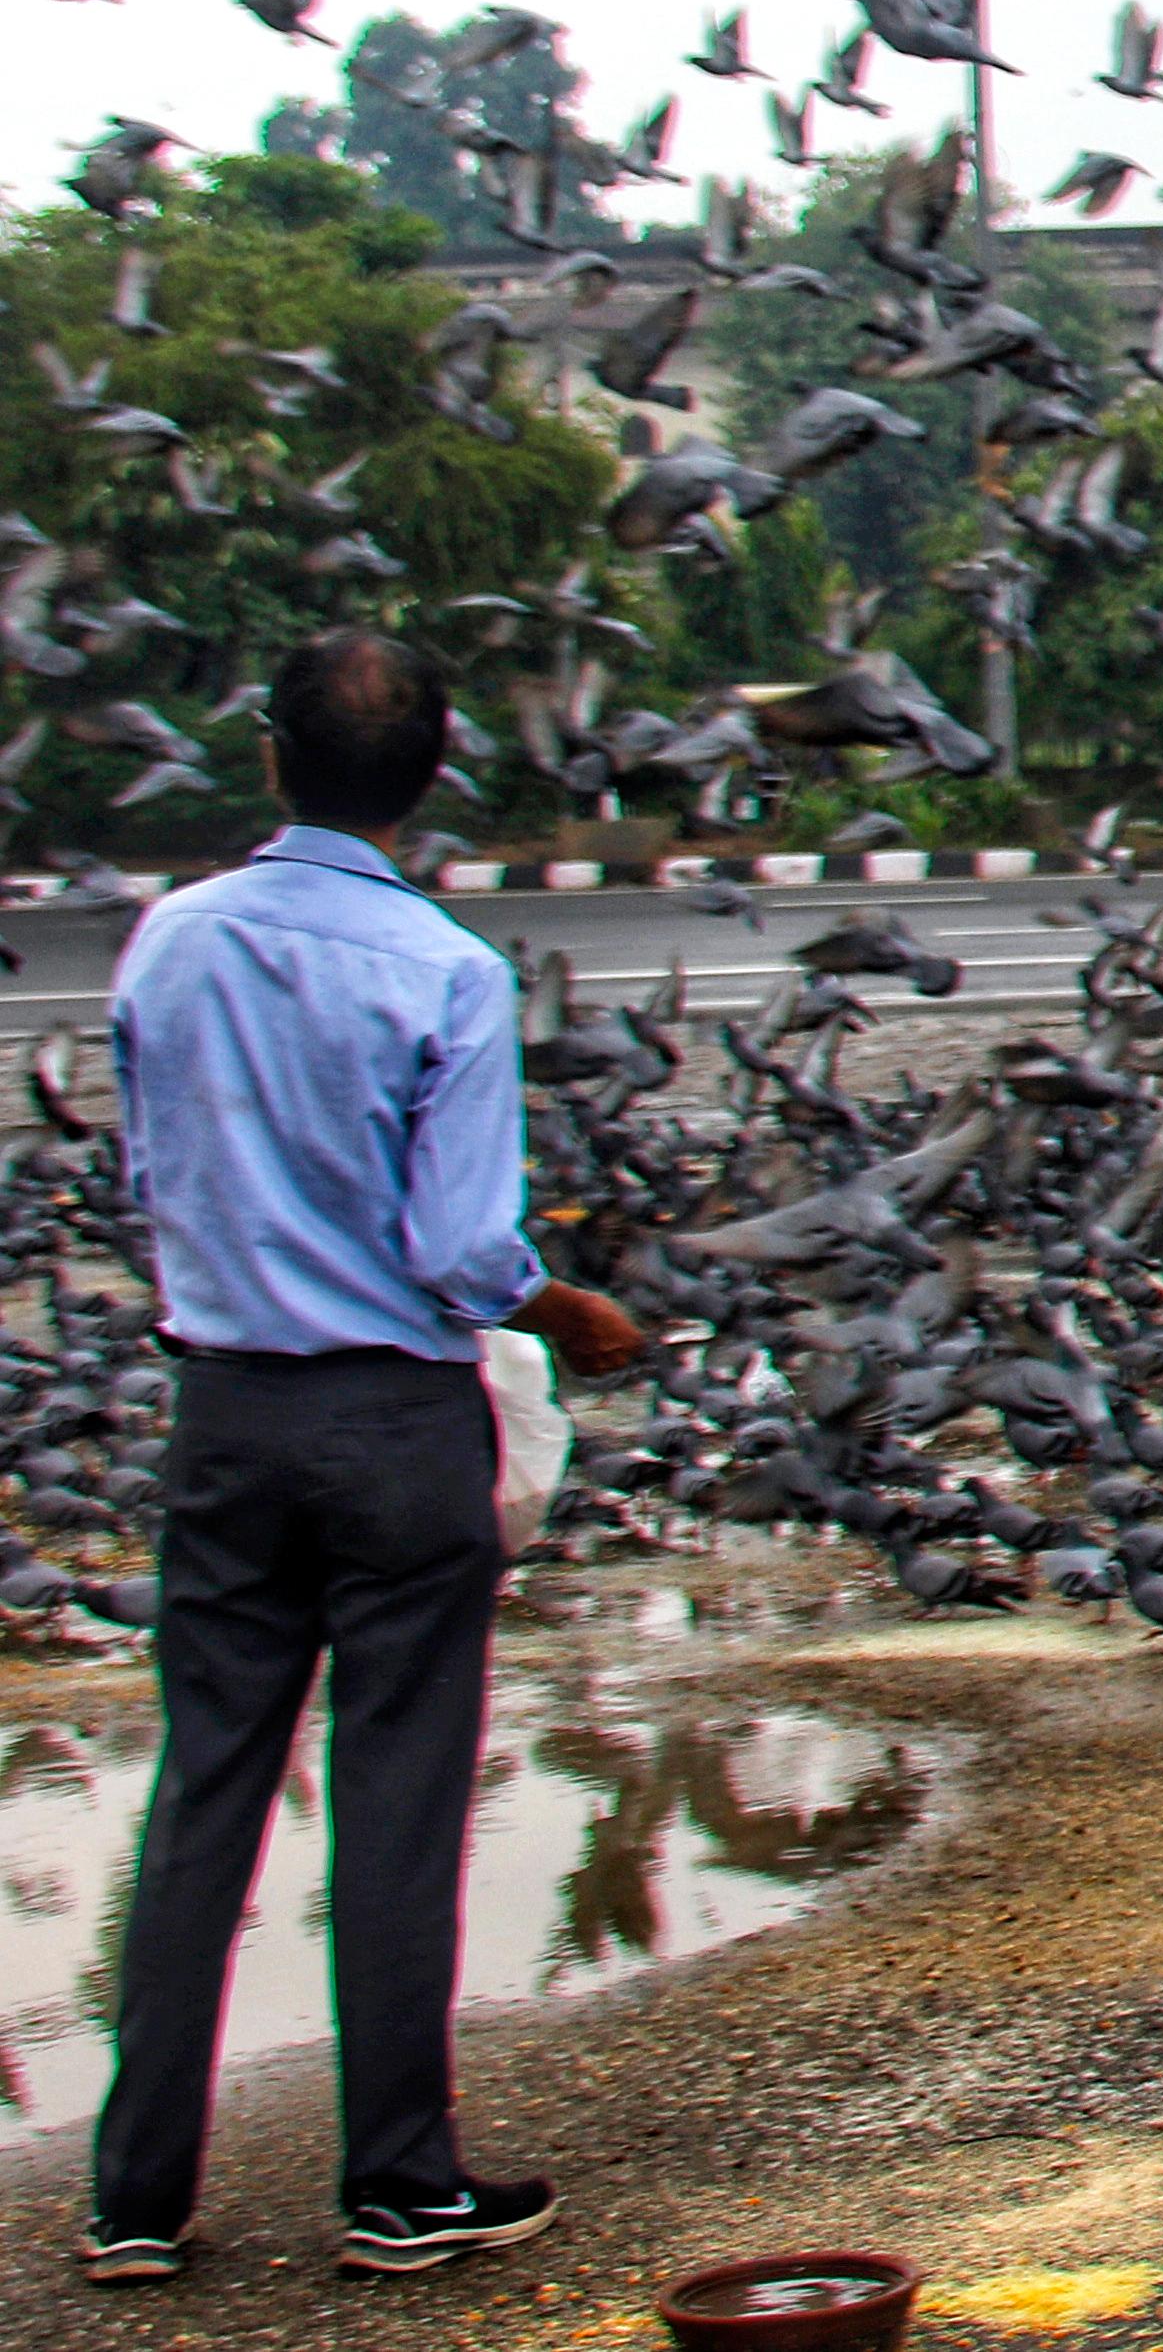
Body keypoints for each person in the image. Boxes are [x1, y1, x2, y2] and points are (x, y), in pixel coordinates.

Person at [83, 630, 644, 2289]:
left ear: (269, 757)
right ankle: (398, 2184)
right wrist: (566, 1308)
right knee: (396, 1793)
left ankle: (135, 2197)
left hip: (227, 1411)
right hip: (394, 1422)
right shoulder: (445, 969)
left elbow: (154, 1170)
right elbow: (460, 1248)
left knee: (205, 1785)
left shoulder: (171, 939)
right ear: (434, 777)